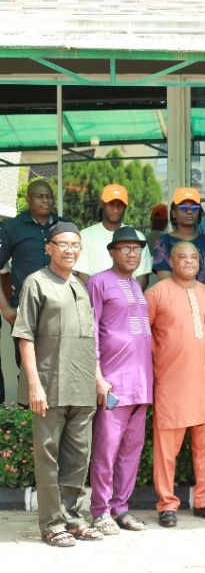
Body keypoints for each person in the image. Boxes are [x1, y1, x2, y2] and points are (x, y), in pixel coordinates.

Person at [14, 222, 101, 546]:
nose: (69, 250)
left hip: (81, 387)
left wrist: (99, 380)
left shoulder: (80, 284)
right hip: (49, 386)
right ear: (48, 247)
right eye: (62, 244)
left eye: (75, 245)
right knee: (48, 457)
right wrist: (34, 385)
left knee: (79, 457)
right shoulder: (36, 283)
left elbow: (87, 340)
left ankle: (73, 518)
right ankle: (52, 524)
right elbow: (24, 336)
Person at [146, 241, 205, 527]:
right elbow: (143, 340)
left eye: (194, 257)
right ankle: (167, 504)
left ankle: (204, 502)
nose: (189, 261)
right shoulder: (156, 294)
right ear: (170, 260)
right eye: (182, 256)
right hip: (171, 384)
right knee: (167, 451)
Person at [86, 226, 153, 535]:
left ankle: (120, 509)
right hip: (113, 383)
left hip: (140, 383)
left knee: (130, 450)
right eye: (125, 248)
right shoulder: (99, 282)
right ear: (112, 252)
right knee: (106, 449)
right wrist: (99, 378)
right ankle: (100, 511)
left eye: (136, 249)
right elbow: (91, 333)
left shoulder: (136, 286)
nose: (131, 254)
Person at [0, 180, 68, 328]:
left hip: (60, 308)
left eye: (49, 196)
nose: (45, 200)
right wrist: (5, 307)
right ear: (28, 199)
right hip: (25, 309)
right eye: (40, 196)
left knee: (59, 352)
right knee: (26, 352)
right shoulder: (12, 228)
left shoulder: (65, 226)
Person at [74, 183, 152, 289]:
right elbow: (82, 275)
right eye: (111, 204)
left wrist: (129, 299)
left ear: (125, 206)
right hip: (94, 301)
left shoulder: (138, 237)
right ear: (102, 204)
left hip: (129, 302)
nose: (115, 209)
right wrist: (97, 300)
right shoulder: (85, 236)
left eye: (119, 205)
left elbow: (142, 277)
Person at [152, 188, 205, 286]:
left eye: (194, 208)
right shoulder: (164, 242)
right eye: (183, 208)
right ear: (173, 213)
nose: (189, 211)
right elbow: (165, 283)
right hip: (176, 300)